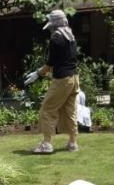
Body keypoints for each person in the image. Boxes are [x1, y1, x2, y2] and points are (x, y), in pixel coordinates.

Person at [25, 10, 80, 154]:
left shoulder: (56, 38)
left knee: (47, 109)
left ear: (54, 24)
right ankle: (73, 143)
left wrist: (37, 74)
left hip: (62, 79)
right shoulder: (70, 35)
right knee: (70, 110)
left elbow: (50, 64)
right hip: (74, 78)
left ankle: (46, 145)